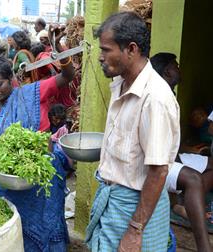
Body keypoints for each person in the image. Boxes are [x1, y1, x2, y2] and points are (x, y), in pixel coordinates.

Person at [0, 25, 75, 252]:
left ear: (11, 78)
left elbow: (68, 76)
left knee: (49, 223)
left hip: (44, 175)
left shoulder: (35, 92)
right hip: (13, 183)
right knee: (21, 230)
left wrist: (59, 46)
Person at [85, 12, 180, 251]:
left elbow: (158, 172)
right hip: (115, 201)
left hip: (134, 208)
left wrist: (135, 230)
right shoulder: (121, 84)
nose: (100, 57)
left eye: (106, 50)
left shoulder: (155, 99)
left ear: (131, 49)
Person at [151, 52, 213, 251]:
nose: (179, 69)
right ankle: (204, 246)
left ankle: (184, 205)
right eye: (176, 66)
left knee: (210, 165)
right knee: (192, 178)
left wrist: (187, 150)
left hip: (170, 157)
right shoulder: (156, 97)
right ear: (168, 71)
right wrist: (178, 160)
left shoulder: (169, 94)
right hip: (156, 161)